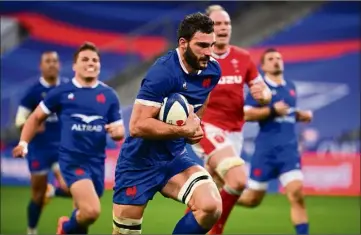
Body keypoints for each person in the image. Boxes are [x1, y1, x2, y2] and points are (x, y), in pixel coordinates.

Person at [112, 13, 223, 235]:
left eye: (212, 45)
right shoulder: (163, 73)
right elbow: (136, 126)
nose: (209, 52)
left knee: (210, 206)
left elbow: (204, 97)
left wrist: (196, 124)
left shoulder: (212, 70)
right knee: (126, 232)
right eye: (202, 45)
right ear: (183, 43)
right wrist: (183, 130)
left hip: (173, 158)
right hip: (139, 163)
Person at [12, 42, 125, 234]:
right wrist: (23, 142)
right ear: (74, 66)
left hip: (97, 163)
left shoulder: (109, 95)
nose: (91, 63)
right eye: (85, 59)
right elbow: (35, 117)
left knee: (82, 217)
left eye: (95, 60)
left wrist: (118, 132)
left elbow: (119, 128)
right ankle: (61, 227)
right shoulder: (61, 92)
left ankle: (68, 226)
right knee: (91, 211)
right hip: (72, 161)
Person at [187, 5, 272, 234]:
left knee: (208, 193)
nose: (224, 28)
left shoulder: (242, 58)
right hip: (205, 128)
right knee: (237, 179)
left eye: (227, 24)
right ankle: (217, 230)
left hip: (234, 133)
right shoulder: (198, 59)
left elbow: (261, 89)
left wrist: (263, 96)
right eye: (218, 24)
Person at [237, 48, 312, 235]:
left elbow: (286, 114)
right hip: (266, 152)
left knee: (297, 194)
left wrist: (299, 115)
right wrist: (272, 111)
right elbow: (246, 113)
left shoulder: (291, 87)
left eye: (278, 58)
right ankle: (221, 197)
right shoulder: (259, 89)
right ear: (263, 66)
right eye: (271, 59)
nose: (276, 61)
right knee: (251, 200)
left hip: (289, 151)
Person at [14, 51, 71, 235]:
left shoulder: (68, 88)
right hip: (39, 150)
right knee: (37, 196)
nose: (52, 64)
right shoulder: (33, 92)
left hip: (62, 149)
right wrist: (30, 123)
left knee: (72, 188)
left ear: (59, 64)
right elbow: (19, 120)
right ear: (41, 66)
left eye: (55, 61)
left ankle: (52, 192)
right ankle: (32, 230)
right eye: (48, 61)